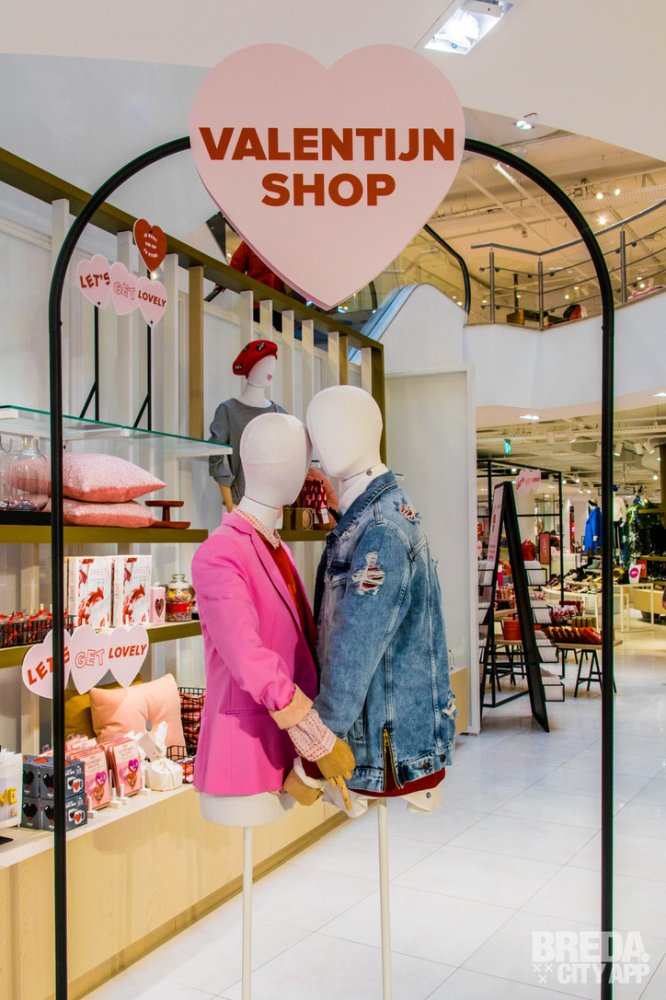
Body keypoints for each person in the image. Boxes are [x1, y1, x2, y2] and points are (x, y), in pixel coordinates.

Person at [294, 385, 456, 809]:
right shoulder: (370, 517)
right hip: (382, 732)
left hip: (385, 743)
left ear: (370, 430)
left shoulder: (380, 528)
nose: (325, 442)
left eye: (337, 425)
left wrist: (317, 751)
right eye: (317, 430)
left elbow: (355, 646)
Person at [193, 411, 354, 827]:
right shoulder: (221, 552)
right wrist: (314, 736)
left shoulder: (274, 545)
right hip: (245, 751)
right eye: (304, 460)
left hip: (281, 744)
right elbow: (247, 656)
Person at [208, 339, 287, 512]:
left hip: (274, 508)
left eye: (273, 364)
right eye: (264, 364)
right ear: (251, 367)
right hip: (241, 504)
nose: (270, 370)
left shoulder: (279, 413)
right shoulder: (229, 410)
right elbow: (215, 456)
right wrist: (230, 502)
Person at [229, 240, 285, 331]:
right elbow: (235, 267)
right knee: (257, 335)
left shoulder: (288, 243)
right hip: (257, 304)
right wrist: (220, 285)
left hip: (282, 307)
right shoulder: (251, 241)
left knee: (280, 337)